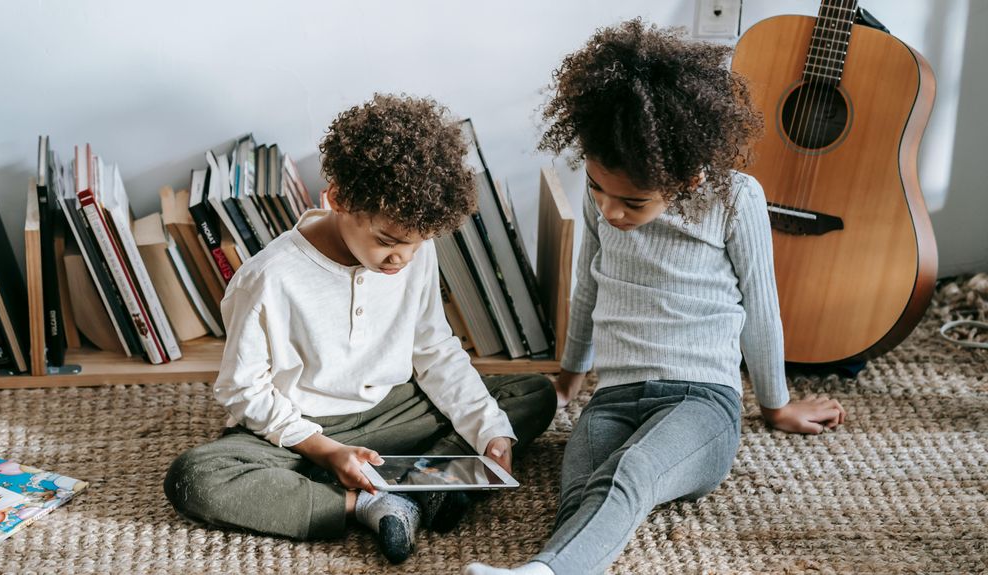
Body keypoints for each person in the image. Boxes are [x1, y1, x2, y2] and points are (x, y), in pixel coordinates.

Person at [464, 20, 847, 575]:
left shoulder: (735, 198)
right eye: (598, 188)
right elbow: (589, 287)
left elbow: (761, 310)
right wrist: (571, 375)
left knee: (631, 473)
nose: (610, 209)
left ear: (687, 179)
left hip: (702, 403)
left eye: (633, 202)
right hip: (613, 398)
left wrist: (776, 403)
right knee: (581, 493)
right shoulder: (604, 200)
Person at [163, 94, 556, 565]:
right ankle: (371, 501)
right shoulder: (269, 277)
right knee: (197, 477)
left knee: (532, 393)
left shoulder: (411, 250)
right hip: (304, 428)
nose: (402, 260)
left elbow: (433, 348)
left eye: (416, 245)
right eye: (388, 243)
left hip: (391, 412)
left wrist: (487, 429)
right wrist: (326, 451)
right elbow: (242, 390)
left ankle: (416, 482)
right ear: (339, 199)